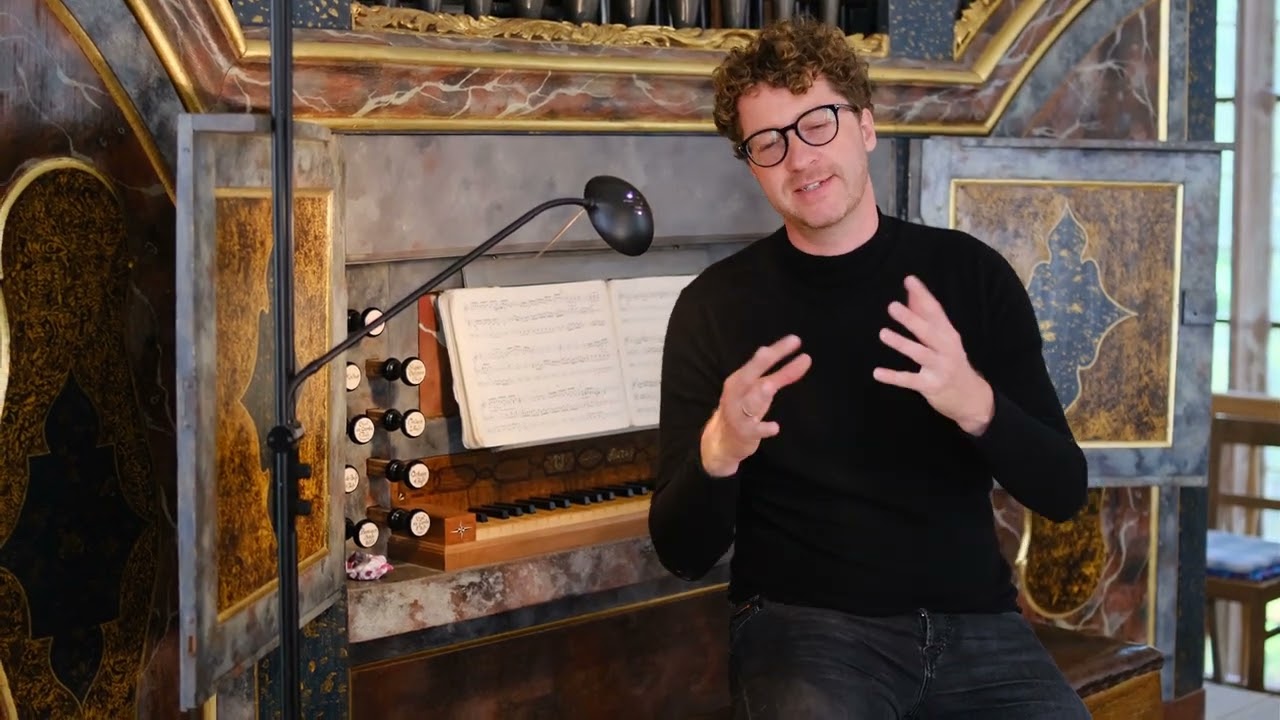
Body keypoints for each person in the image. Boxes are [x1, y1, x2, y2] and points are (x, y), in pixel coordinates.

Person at [648, 16, 1091, 720]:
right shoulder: (714, 308)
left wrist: (973, 402)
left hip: (977, 625)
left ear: (865, 127)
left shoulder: (970, 276)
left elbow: (1064, 489)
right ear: (753, 163)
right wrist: (719, 450)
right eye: (769, 142)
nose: (800, 159)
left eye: (818, 123)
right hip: (805, 629)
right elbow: (681, 551)